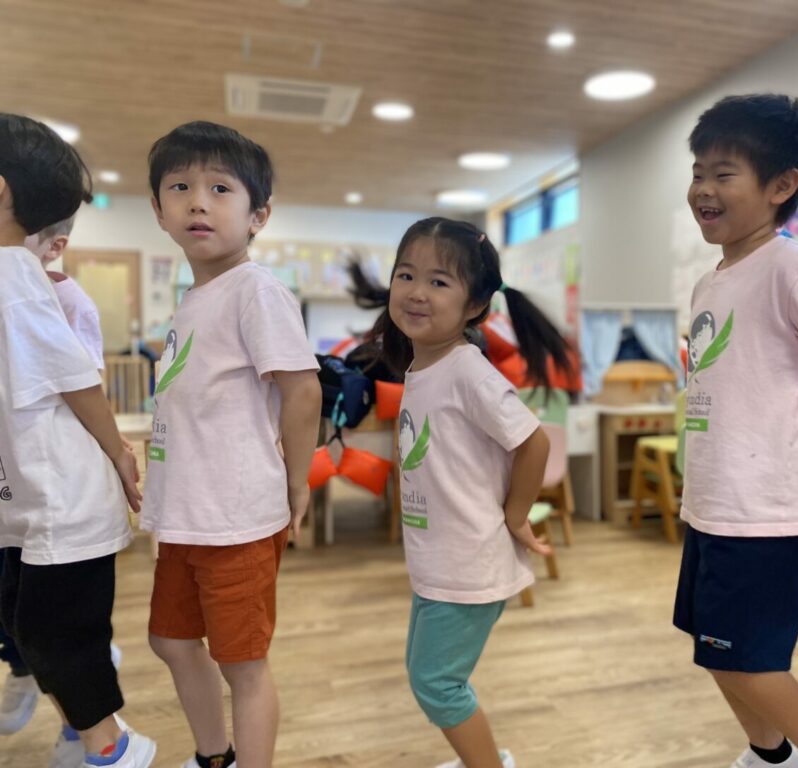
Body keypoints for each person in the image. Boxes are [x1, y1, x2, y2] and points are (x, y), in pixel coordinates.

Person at [674, 95, 798, 768]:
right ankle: (771, 757)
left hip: (766, 509)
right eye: (697, 172)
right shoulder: (712, 282)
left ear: (782, 185)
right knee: (715, 647)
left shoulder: (795, 269)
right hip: (717, 502)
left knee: (750, 660)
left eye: (723, 173)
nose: (702, 188)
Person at [352, 217, 571, 768]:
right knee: (427, 674)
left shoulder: (468, 373)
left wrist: (516, 516)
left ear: (475, 305)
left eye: (439, 281)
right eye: (406, 275)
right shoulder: (423, 368)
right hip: (439, 557)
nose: (416, 292)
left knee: (438, 685)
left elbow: (534, 443)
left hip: (469, 561)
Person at [142, 121, 321, 768]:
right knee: (170, 639)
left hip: (235, 518)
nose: (198, 201)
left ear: (258, 215)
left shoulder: (256, 289)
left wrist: (297, 481)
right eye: (180, 187)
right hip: (189, 515)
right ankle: (214, 757)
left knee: (242, 662)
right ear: (158, 209)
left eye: (220, 188)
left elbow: (303, 390)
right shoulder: (197, 298)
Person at [0, 112, 155, 768]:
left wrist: (118, 451)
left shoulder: (13, 272)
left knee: (55, 636)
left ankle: (113, 747)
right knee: (24, 626)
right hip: (29, 497)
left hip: (63, 499)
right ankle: (79, 731)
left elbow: (75, 378)